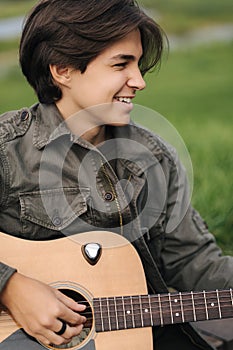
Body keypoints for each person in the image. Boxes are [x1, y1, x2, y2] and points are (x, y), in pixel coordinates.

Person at [0, 0, 232, 349]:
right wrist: (11, 286)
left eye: (138, 64)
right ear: (62, 69)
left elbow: (192, 260)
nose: (139, 81)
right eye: (121, 64)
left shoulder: (154, 158)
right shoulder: (7, 150)